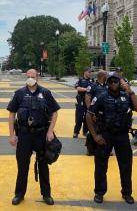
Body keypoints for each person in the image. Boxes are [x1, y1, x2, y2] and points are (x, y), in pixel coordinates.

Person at [86, 72, 137, 204]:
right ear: (107, 83)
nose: (113, 83)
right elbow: (89, 116)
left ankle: (127, 193)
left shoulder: (126, 96)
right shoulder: (101, 97)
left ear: (120, 82)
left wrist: (131, 92)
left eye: (116, 81)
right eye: (110, 81)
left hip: (122, 135)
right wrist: (95, 136)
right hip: (105, 135)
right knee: (101, 166)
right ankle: (99, 192)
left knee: (126, 166)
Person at [7, 69, 60, 206]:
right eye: (28, 76)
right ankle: (19, 194)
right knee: (22, 166)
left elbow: (54, 113)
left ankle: (46, 194)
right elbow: (12, 114)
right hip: (24, 135)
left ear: (38, 77)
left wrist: (50, 131)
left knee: (43, 165)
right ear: (26, 77)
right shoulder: (19, 94)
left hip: (41, 134)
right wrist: (12, 135)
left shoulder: (45, 93)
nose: (31, 78)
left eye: (33, 76)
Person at [84, 70, 108, 156]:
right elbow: (87, 98)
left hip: (105, 113)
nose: (107, 76)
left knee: (105, 131)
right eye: (106, 75)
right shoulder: (92, 86)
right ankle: (90, 149)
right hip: (95, 112)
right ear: (102, 76)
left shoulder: (107, 86)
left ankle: (106, 149)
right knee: (93, 130)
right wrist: (91, 113)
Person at [73, 67, 94, 138]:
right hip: (81, 100)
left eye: (91, 72)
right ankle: (76, 132)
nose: (90, 73)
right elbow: (77, 87)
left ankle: (85, 131)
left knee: (87, 117)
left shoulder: (92, 80)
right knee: (79, 117)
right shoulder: (80, 80)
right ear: (85, 72)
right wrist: (86, 89)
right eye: (89, 72)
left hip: (88, 102)